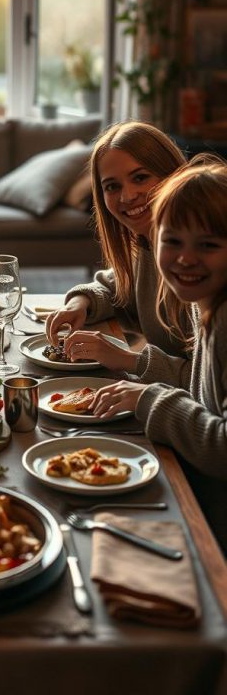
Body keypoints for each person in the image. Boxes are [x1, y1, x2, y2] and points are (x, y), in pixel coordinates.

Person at [90, 156, 227, 552]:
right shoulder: (207, 302)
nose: (185, 258)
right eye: (172, 242)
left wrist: (150, 397)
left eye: (209, 245)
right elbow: (123, 285)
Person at [46, 120, 190, 370]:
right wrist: (81, 301)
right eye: (112, 186)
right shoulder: (148, 244)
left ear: (173, 175)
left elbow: (212, 387)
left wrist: (128, 360)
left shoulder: (201, 262)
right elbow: (119, 284)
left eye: (140, 177)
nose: (127, 196)